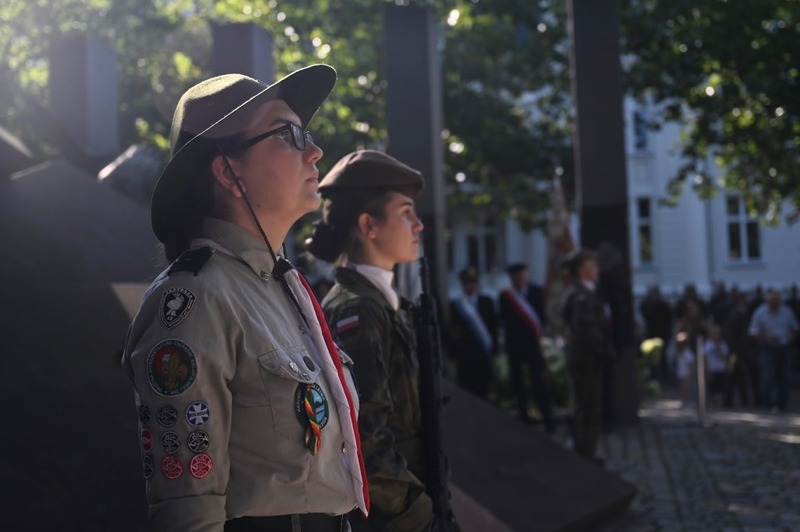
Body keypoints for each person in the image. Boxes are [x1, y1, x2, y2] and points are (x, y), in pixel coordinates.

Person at [120, 66, 370, 531]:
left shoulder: (284, 290)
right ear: (229, 172)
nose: (314, 151)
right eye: (289, 135)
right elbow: (188, 510)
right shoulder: (193, 299)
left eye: (307, 133)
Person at [306, 150, 455, 531]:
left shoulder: (381, 303)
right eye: (406, 213)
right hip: (395, 517)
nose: (418, 225)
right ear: (369, 225)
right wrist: (417, 515)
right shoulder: (359, 309)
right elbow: (364, 435)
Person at [561, 249, 614, 460]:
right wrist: (606, 351)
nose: (597, 271)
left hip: (587, 359)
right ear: (584, 270)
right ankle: (585, 455)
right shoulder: (581, 296)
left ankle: (586, 451)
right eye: (593, 266)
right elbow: (587, 329)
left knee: (589, 407)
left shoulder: (586, 293)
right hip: (587, 360)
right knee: (588, 408)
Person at [498, 263, 555, 432]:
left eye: (523, 275)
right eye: (517, 276)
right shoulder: (506, 296)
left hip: (532, 345)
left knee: (539, 380)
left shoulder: (537, 292)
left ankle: (547, 417)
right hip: (514, 345)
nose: (521, 278)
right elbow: (504, 320)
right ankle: (524, 416)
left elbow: (541, 317)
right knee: (518, 383)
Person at [447, 267, 498, 400]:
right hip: (465, 357)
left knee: (484, 390)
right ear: (463, 285)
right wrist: (453, 354)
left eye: (473, 283)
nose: (470, 286)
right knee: (466, 392)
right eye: (467, 283)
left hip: (483, 354)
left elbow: (494, 328)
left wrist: (495, 351)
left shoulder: (487, 302)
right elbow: (452, 332)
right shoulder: (456, 306)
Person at [748, 288, 798, 412]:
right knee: (767, 377)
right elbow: (753, 331)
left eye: (776, 301)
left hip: (784, 347)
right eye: (772, 301)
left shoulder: (787, 312)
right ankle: (766, 404)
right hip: (767, 348)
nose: (774, 304)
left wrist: (790, 337)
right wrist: (765, 336)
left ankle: (782, 404)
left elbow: (795, 327)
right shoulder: (760, 312)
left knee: (784, 377)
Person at [703, 326, 731, 408]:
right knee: (713, 389)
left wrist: (718, 349)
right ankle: (714, 404)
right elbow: (705, 358)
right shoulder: (707, 345)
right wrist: (706, 370)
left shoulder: (723, 345)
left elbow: (726, 358)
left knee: (721, 389)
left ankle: (720, 405)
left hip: (721, 370)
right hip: (712, 370)